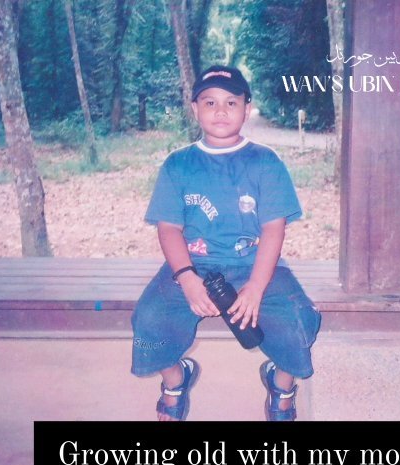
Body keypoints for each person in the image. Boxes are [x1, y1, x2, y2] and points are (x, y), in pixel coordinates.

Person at [131, 65, 321, 423]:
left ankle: (281, 385)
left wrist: (256, 287)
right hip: (196, 265)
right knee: (149, 319)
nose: (220, 111)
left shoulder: (266, 162)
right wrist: (186, 278)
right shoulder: (178, 165)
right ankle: (176, 380)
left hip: (257, 264)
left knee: (300, 320)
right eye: (210, 102)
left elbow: (274, 230)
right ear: (195, 109)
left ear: (246, 109)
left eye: (231, 102)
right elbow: (169, 228)